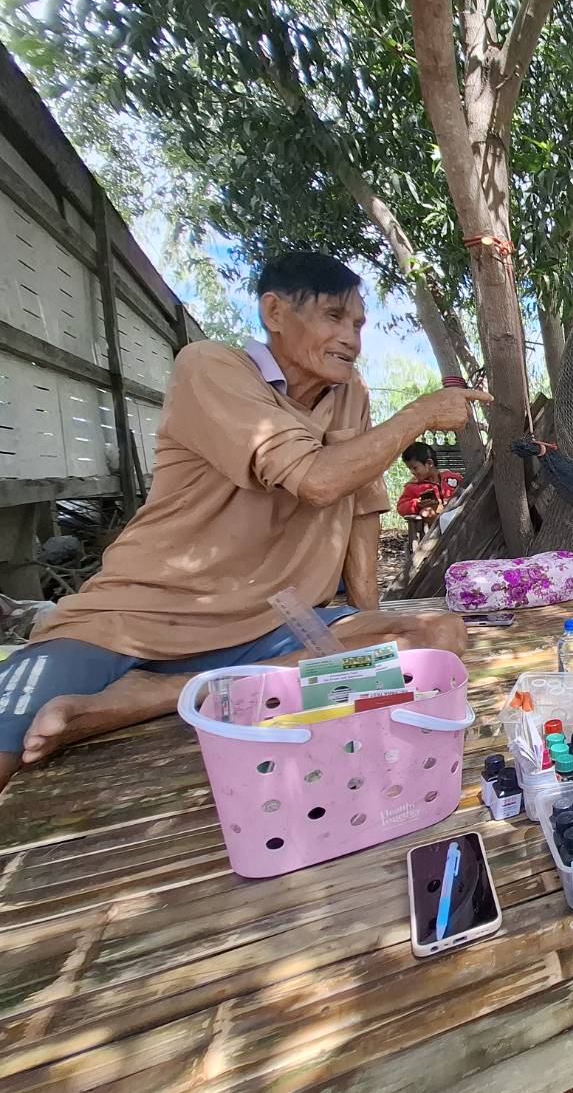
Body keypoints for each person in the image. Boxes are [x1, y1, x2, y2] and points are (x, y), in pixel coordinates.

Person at [0, 252, 495, 794]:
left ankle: (166, 694)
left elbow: (360, 510)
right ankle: (177, 687)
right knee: (10, 744)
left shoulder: (351, 394)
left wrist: (361, 628)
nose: (351, 339)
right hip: (139, 614)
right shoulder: (210, 366)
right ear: (275, 311)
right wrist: (422, 413)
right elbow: (317, 480)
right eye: (333, 317)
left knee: (433, 638)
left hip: (270, 623)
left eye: (357, 325)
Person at [396, 442, 464, 521]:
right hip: (434, 526)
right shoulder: (412, 487)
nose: (412, 472)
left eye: (415, 468)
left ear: (429, 463)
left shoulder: (453, 478)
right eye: (409, 469)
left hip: (459, 518)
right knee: (426, 512)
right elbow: (401, 507)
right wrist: (417, 505)